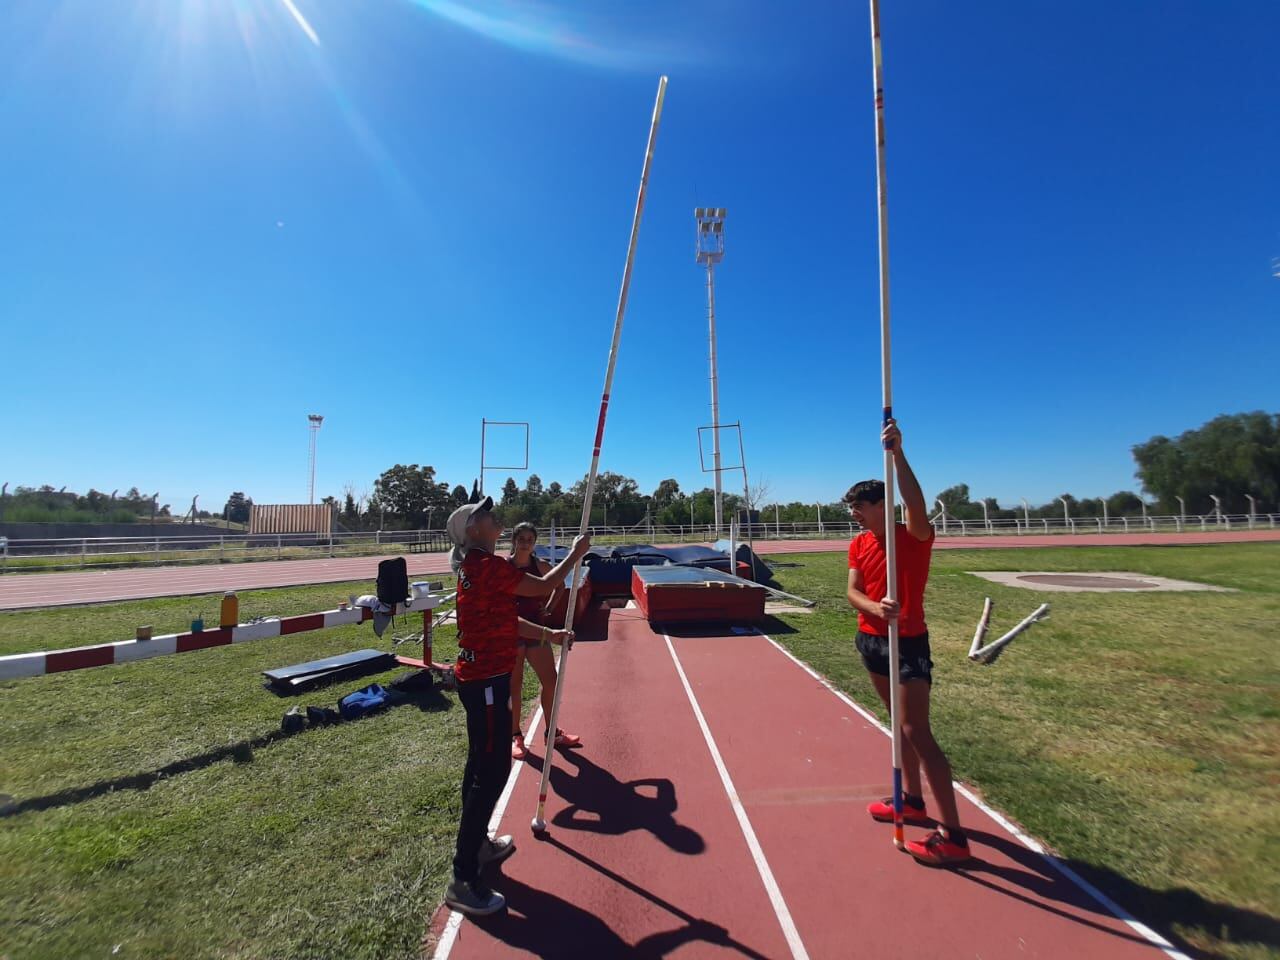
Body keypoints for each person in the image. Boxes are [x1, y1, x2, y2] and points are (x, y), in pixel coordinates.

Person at [443, 496, 592, 916]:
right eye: (485, 515)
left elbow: (507, 622)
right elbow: (544, 586)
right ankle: (463, 877)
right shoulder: (485, 565)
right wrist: (576, 555)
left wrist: (550, 636)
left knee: (480, 766)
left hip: (481, 681)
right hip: (485, 683)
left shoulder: (481, 569)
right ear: (472, 530)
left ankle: (479, 847)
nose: (494, 518)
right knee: (491, 773)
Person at [844, 419, 970, 866]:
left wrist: (897, 454)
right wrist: (874, 609)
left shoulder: (911, 537)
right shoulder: (859, 544)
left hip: (908, 642)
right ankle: (912, 801)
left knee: (918, 731)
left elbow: (916, 505)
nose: (854, 515)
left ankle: (953, 835)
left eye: (859, 507)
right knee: (897, 725)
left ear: (882, 505)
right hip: (871, 639)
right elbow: (852, 591)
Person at [508, 522, 582, 760]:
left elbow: (559, 586)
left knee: (551, 681)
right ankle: (515, 736)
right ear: (514, 540)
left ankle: (552, 733)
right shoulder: (505, 568)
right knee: (515, 686)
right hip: (511, 632)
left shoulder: (539, 566)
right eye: (522, 538)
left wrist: (548, 609)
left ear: (534, 542)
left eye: (530, 539)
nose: (526, 543)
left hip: (537, 630)